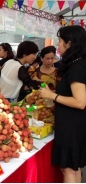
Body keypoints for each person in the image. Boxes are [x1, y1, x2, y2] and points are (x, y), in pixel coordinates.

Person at [39, 25, 86, 183]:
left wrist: (52, 95)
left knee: (68, 169)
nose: (58, 44)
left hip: (71, 125)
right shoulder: (78, 63)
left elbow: (80, 102)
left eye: (60, 40)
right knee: (74, 167)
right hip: (74, 123)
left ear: (70, 43)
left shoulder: (76, 67)